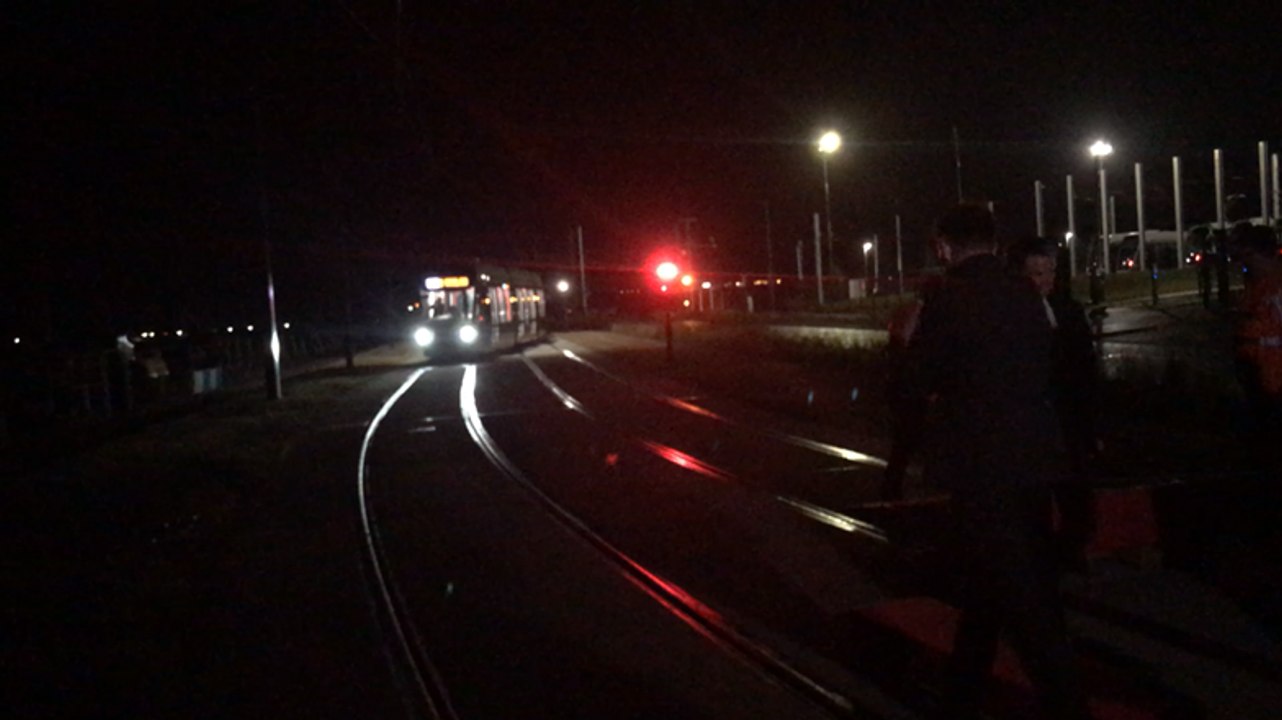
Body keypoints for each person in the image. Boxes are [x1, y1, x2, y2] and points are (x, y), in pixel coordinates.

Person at [902, 205, 1088, 719]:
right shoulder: (1024, 292)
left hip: (981, 464)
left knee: (1018, 593)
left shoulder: (944, 297)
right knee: (991, 585)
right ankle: (960, 692)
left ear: (943, 245)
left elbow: (916, 382)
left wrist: (907, 340)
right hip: (1034, 456)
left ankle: (1066, 702)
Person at [1007, 236, 1101, 570]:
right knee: (1036, 494)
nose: (1045, 281)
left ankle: (1069, 550)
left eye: (1050, 272)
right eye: (1036, 274)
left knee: (1075, 491)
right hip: (1031, 422)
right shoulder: (1010, 318)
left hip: (1066, 418)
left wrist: (1090, 422)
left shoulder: (1068, 311)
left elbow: (1085, 368)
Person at [1229, 224, 1282, 472]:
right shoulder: (1255, 288)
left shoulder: (1274, 287)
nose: (1245, 265)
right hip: (1262, 385)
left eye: (1248, 257)